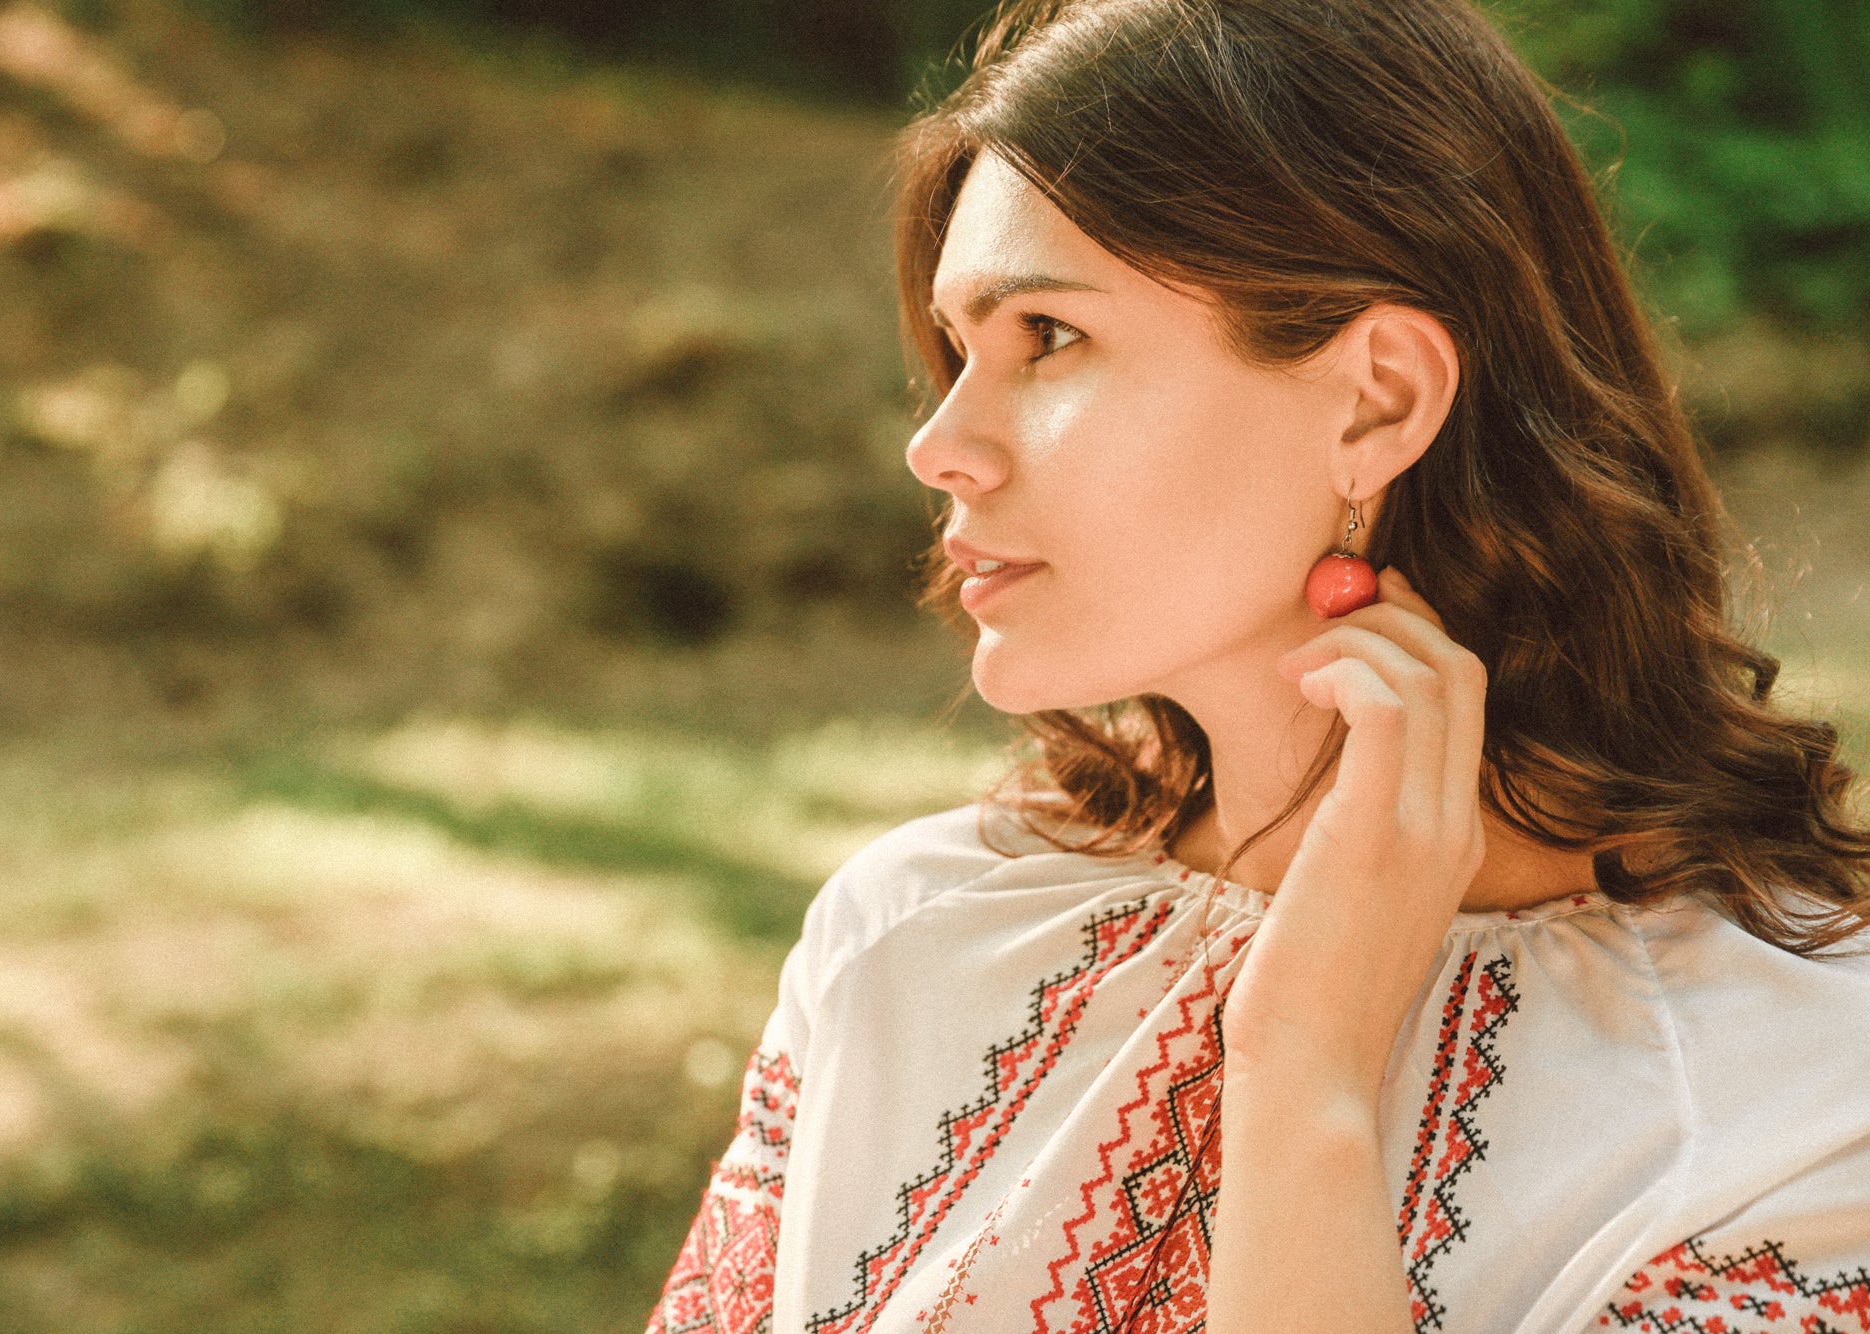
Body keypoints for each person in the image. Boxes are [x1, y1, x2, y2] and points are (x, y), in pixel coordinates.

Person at [644, 0, 1870, 1330]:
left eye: (1047, 337)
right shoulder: (913, 937)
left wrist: (1309, 1070)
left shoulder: (1797, 1093)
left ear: (1378, 398)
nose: (938, 443)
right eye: (955, 350)